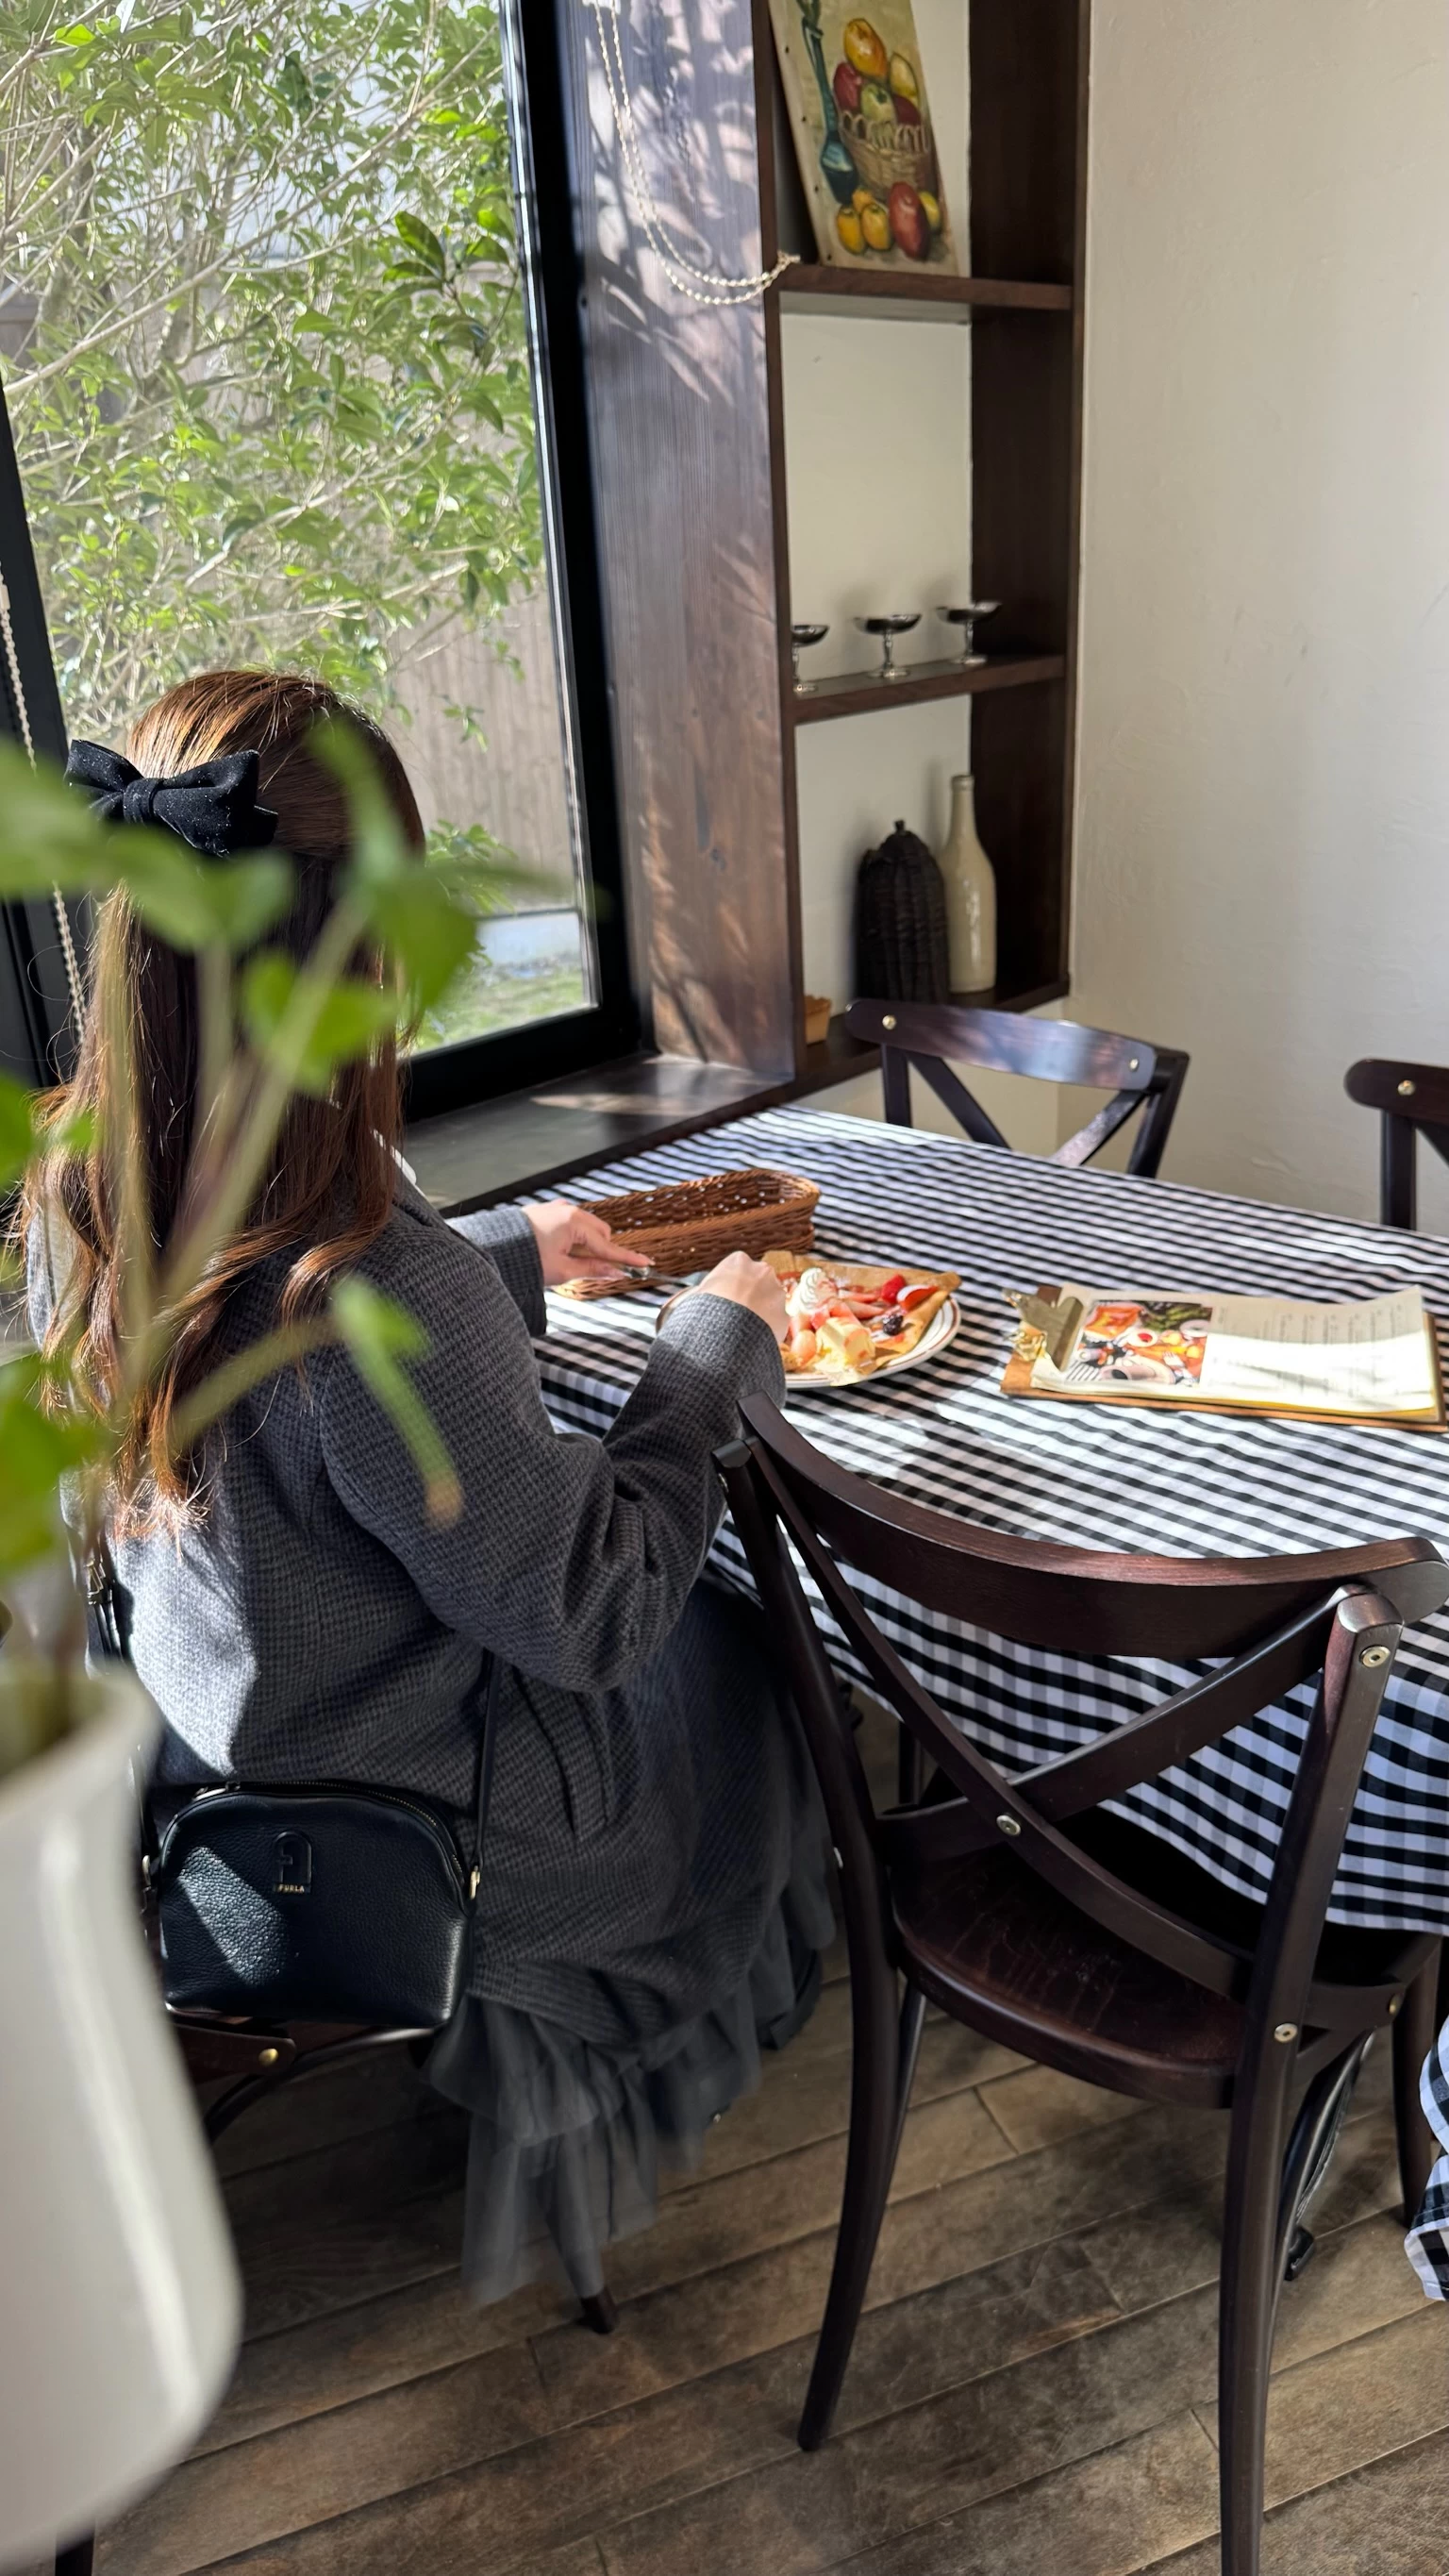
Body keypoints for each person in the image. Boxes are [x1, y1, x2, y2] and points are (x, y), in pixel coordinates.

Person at [25, 668, 833, 2302]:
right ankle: (620, 2015)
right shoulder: (376, 1282)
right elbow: (592, 1608)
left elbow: (289, 1363)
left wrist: (511, 1257)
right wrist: (710, 1347)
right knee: (741, 1663)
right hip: (425, 1827)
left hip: (223, 1775)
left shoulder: (79, 1193)